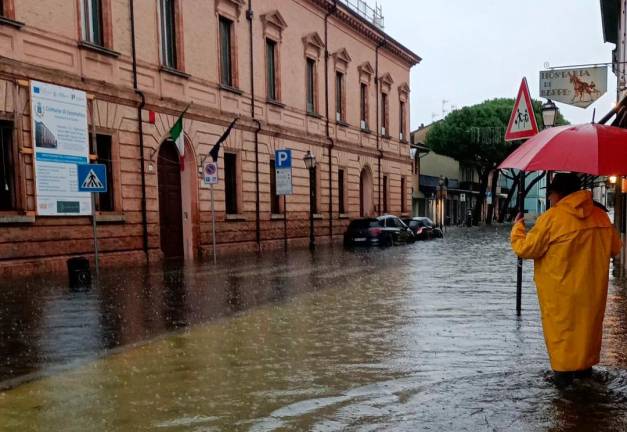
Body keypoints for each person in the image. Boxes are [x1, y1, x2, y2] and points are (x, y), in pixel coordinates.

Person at [510, 172, 621, 387]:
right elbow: (615, 248)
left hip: (560, 299)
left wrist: (518, 228)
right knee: (584, 349)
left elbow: (524, 249)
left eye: (550, 195)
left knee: (563, 354)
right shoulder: (600, 217)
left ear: (558, 194)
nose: (550, 199)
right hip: (591, 296)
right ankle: (586, 400)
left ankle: (567, 404)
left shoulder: (552, 219)